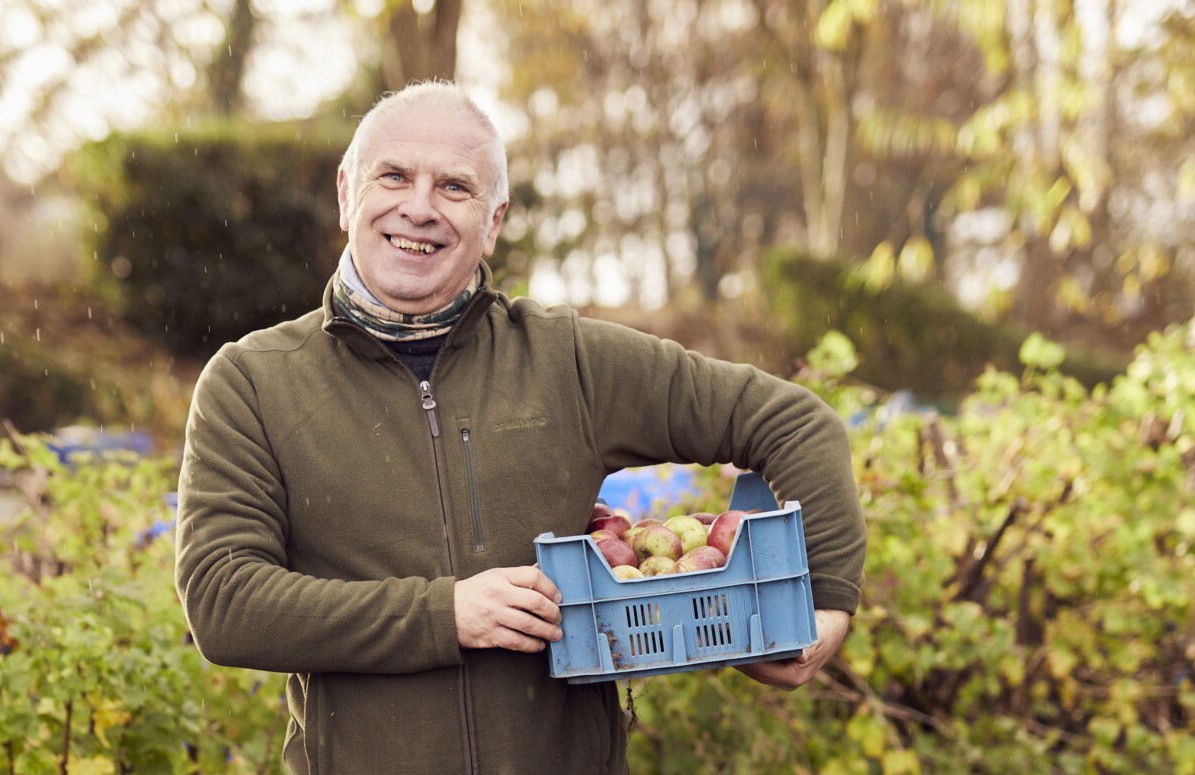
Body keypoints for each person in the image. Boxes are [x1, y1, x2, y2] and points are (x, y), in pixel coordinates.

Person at [175, 81, 866, 775]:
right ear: (346, 191)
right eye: (394, 176)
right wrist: (444, 615)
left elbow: (794, 422)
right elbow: (223, 598)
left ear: (494, 219)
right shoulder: (253, 382)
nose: (418, 207)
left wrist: (827, 605)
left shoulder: (565, 359)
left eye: (454, 187)